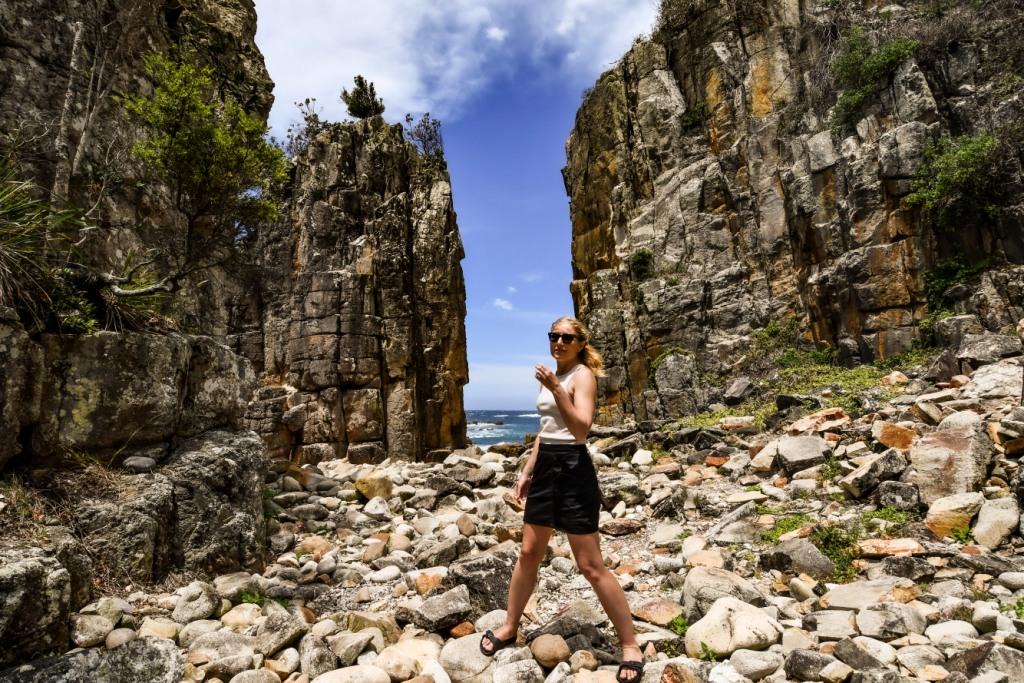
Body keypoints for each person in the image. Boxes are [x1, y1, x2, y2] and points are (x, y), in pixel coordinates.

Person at [479, 316, 644, 682]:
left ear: (580, 343)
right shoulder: (554, 375)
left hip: (573, 468)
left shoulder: (581, 376)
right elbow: (546, 431)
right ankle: (509, 626)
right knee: (527, 554)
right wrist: (526, 472)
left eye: (567, 337)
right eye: (554, 336)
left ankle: (629, 644)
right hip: (547, 466)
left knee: (590, 565)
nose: (559, 342)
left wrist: (556, 388)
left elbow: (581, 429)